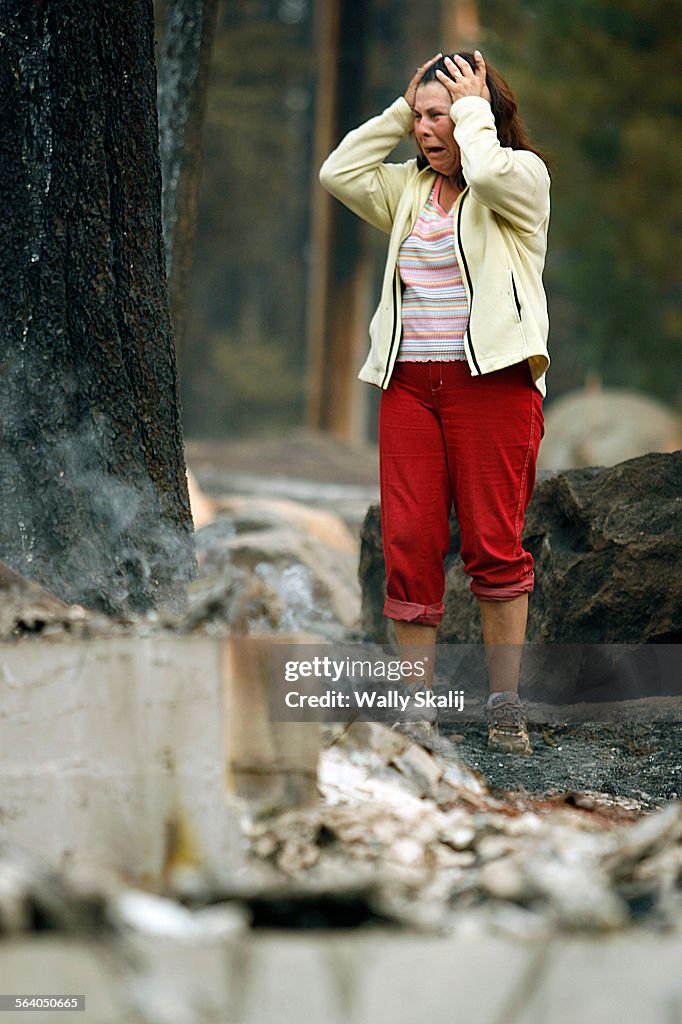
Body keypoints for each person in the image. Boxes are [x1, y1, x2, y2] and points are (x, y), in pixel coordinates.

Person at [319, 51, 551, 754]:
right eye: (418, 117)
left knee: (492, 543)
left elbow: (483, 168)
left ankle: (503, 704)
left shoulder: (520, 180)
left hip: (494, 385)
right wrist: (401, 106)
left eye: (437, 115)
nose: (424, 130)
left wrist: (471, 111)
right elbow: (338, 173)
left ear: (481, 113)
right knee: (411, 541)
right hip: (411, 387)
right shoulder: (407, 192)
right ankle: (416, 710)